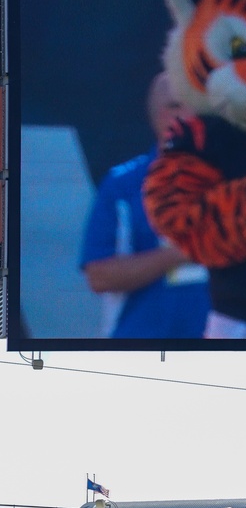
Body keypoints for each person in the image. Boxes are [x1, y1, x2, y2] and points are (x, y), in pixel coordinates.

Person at [80, 72, 210, 338]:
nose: (188, 115)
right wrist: (182, 252)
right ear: (157, 115)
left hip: (225, 350)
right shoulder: (123, 184)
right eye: (176, 106)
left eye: (195, 106)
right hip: (140, 349)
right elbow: (99, 275)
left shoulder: (233, 180)